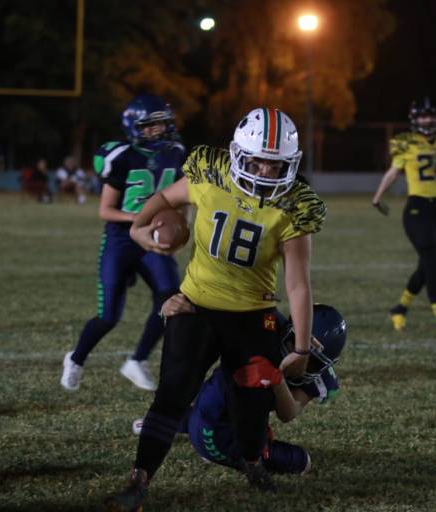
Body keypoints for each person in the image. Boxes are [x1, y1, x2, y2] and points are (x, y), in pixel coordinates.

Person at [103, 107, 326, 511]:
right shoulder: (210, 174)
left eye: (274, 164)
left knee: (251, 400)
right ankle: (139, 479)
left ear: (290, 164)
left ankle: (254, 462)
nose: (262, 170)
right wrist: (139, 225)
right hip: (196, 305)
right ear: (237, 153)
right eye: (256, 159)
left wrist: (302, 347)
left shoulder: (295, 204)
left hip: (253, 313)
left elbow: (297, 280)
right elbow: (164, 197)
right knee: (174, 389)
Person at [61, 94, 185, 392]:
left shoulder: (176, 152)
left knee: (171, 299)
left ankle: (137, 361)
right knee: (109, 316)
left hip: (152, 237)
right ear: (134, 127)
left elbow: (183, 195)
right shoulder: (122, 156)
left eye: (162, 124)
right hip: (122, 239)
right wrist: (142, 218)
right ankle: (76, 359)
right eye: (151, 126)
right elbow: (105, 210)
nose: (158, 131)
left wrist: (181, 224)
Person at [145, 300, 346, 477]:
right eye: (297, 346)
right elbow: (219, 312)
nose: (300, 363)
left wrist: (276, 380)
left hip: (239, 409)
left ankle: (170, 422)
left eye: (312, 363)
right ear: (291, 330)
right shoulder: (267, 324)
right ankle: (182, 428)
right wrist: (178, 306)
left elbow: (288, 412)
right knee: (300, 461)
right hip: (218, 414)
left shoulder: (320, 379)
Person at [371, 97, 436, 339]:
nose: (427, 120)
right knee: (434, 262)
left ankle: (400, 307)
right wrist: (377, 196)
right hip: (417, 209)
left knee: (427, 264)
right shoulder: (406, 142)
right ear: (416, 119)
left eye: (431, 116)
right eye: (423, 116)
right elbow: (394, 171)